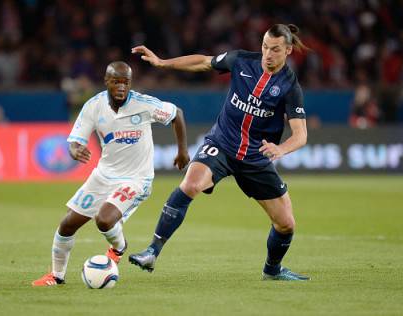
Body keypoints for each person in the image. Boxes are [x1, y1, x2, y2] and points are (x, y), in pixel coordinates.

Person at [129, 24, 310, 281]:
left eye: (275, 49)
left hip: (255, 158)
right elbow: (203, 62)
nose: (267, 54)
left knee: (286, 224)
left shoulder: (290, 87)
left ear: (288, 50)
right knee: (190, 184)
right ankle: (152, 252)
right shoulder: (240, 61)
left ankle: (272, 270)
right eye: (265, 47)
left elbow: (301, 135)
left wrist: (280, 149)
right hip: (222, 144)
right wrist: (162, 63)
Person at [32, 61, 190, 286]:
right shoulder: (93, 106)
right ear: (107, 81)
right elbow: (76, 141)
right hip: (103, 175)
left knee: (104, 220)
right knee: (67, 225)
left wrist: (182, 150)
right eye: (116, 81)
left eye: (126, 82)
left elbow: (177, 114)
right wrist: (75, 149)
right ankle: (56, 276)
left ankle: (119, 246)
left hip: (137, 179)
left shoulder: (143, 104)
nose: (121, 87)